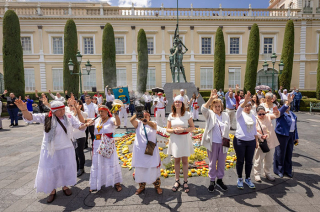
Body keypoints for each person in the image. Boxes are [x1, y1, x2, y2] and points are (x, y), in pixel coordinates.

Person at [15, 99, 90, 203]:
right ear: (53, 111)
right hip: (50, 149)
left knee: (65, 168)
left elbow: (79, 126)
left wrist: (86, 124)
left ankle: (65, 186)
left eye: (63, 109)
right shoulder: (46, 117)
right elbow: (30, 118)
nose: (62, 111)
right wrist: (24, 110)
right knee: (51, 169)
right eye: (59, 110)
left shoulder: (68, 116)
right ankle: (52, 190)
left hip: (66, 148)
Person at [201, 89, 230, 192]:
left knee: (221, 162)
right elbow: (203, 109)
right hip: (213, 142)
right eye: (215, 106)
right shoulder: (210, 114)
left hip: (223, 143)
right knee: (213, 163)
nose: (217, 108)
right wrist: (210, 99)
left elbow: (228, 127)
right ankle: (212, 180)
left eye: (219, 106)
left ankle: (220, 180)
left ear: (221, 107)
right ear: (212, 108)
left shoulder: (225, 115)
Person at [89, 105, 122, 192]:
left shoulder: (111, 120)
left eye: (102, 111)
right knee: (97, 163)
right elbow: (83, 121)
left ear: (107, 112)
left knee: (111, 162)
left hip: (108, 144)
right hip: (97, 144)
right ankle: (95, 184)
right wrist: (77, 110)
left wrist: (116, 114)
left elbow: (118, 124)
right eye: (99, 112)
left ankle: (116, 183)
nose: (100, 113)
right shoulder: (96, 120)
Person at [166, 96, 195, 193]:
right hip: (175, 139)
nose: (177, 103)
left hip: (184, 139)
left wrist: (184, 130)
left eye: (179, 102)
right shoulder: (171, 115)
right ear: (174, 104)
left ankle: (185, 181)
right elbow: (167, 129)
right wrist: (174, 130)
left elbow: (192, 127)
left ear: (182, 104)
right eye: (176, 102)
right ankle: (177, 181)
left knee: (185, 161)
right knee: (177, 161)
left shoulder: (187, 114)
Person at [130, 111, 162, 195]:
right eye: (143, 115)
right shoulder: (138, 124)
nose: (144, 117)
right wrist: (137, 113)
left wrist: (145, 121)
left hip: (150, 151)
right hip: (140, 152)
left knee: (153, 168)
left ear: (149, 117)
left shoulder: (153, 123)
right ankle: (141, 187)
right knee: (141, 169)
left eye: (146, 116)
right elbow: (131, 120)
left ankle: (157, 186)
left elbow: (154, 126)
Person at [233, 91, 259, 189]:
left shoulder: (253, 115)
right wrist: (244, 102)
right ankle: (239, 178)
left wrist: (256, 141)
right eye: (245, 106)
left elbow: (254, 129)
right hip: (240, 141)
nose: (247, 107)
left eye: (249, 105)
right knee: (240, 161)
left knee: (249, 161)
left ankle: (247, 178)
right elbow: (239, 109)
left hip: (251, 141)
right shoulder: (239, 114)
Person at [253, 105, 280, 182]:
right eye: (260, 114)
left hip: (271, 141)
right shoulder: (255, 119)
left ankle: (267, 173)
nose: (262, 115)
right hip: (262, 142)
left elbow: (276, 115)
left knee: (269, 159)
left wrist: (276, 111)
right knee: (258, 159)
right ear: (257, 113)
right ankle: (257, 174)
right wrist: (260, 136)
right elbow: (253, 131)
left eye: (263, 113)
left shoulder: (268, 116)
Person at [274, 95, 298, 178]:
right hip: (282, 135)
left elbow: (295, 127)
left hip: (290, 135)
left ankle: (288, 170)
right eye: (287, 105)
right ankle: (279, 170)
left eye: (290, 105)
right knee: (280, 153)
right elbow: (281, 111)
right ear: (282, 106)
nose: (289, 106)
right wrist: (287, 102)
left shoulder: (293, 115)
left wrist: (296, 137)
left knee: (289, 153)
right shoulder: (280, 113)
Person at [67, 99, 88, 177]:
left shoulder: (84, 113)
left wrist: (77, 112)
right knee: (74, 154)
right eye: (72, 105)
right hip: (72, 137)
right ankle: (76, 168)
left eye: (76, 105)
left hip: (80, 136)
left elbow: (82, 121)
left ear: (80, 106)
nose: (74, 107)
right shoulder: (70, 114)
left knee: (79, 152)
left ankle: (81, 168)